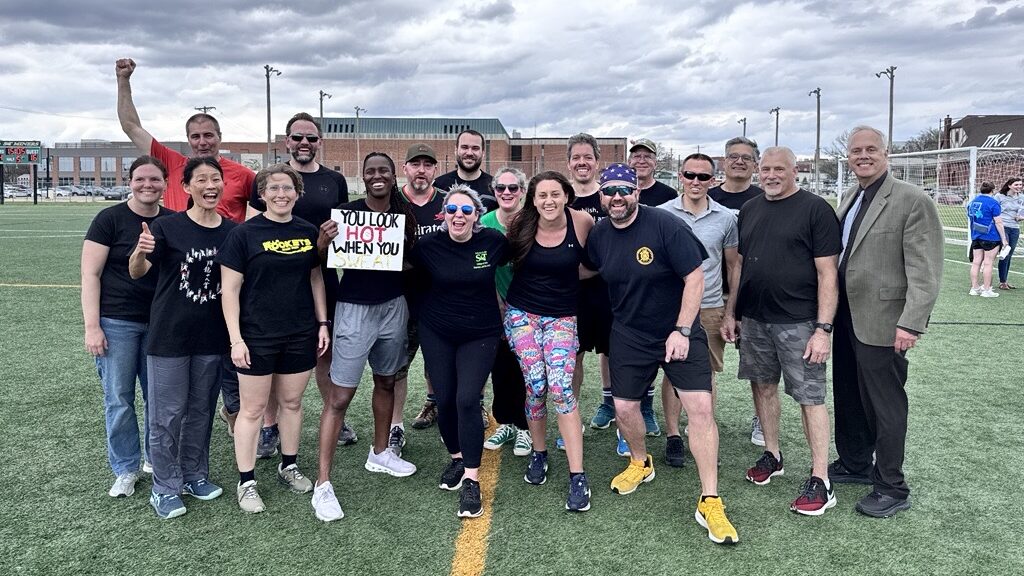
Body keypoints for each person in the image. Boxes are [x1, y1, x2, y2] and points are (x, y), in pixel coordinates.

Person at [586, 164, 738, 545]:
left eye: (624, 189)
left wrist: (683, 329)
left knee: (700, 410)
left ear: (637, 191)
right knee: (623, 408)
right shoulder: (600, 233)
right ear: (601, 196)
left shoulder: (665, 224)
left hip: (678, 330)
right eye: (609, 191)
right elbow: (583, 271)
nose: (617, 197)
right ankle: (640, 461)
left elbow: (696, 277)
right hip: (628, 334)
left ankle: (710, 499)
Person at [115, 57, 256, 448]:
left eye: (208, 135)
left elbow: (265, 214)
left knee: (230, 363)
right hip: (179, 283)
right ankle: (176, 448)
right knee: (176, 374)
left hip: (226, 283)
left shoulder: (240, 174)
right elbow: (130, 126)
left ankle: (239, 420)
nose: (201, 141)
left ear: (219, 136)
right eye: (195, 136)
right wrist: (123, 80)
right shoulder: (172, 163)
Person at [830, 125, 943, 518]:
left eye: (870, 149)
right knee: (847, 394)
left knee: (885, 404)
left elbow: (925, 270)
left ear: (886, 153)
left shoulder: (912, 199)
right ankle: (855, 462)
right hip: (845, 316)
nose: (863, 155)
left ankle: (892, 485)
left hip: (884, 319)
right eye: (855, 150)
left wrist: (911, 323)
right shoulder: (850, 195)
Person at [722, 147, 841, 516]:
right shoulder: (752, 209)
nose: (771, 175)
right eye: (766, 169)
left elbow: (827, 274)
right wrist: (733, 312)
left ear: (794, 171)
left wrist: (823, 329)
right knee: (762, 386)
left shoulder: (815, 209)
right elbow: (739, 266)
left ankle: (821, 477)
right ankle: (772, 454)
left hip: (799, 322)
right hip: (755, 319)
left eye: (779, 169)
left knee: (809, 397)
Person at [311, 152, 419, 522]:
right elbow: (322, 260)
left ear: (392, 176)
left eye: (384, 171)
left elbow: (410, 262)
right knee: (340, 396)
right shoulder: (347, 212)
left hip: (393, 305)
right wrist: (324, 241)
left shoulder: (404, 215)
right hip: (354, 308)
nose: (377, 176)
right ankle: (322, 483)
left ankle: (380, 451)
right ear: (363, 175)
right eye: (371, 171)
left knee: (387, 381)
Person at [128, 157, 237, 519]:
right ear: (186, 188)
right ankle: (164, 487)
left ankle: (194, 475)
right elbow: (137, 271)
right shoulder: (166, 227)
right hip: (170, 337)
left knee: (200, 411)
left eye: (216, 179)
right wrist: (140, 252)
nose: (210, 185)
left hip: (212, 337)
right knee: (166, 415)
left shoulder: (232, 231)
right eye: (201, 180)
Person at [218, 163, 331, 514]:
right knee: (252, 410)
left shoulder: (307, 230)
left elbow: (315, 279)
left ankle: (289, 464)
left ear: (297, 193)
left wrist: (322, 322)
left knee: (293, 404)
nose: (281, 194)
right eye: (273, 188)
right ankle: (247, 481)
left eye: (287, 188)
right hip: (257, 335)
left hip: (299, 333)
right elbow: (230, 291)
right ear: (262, 194)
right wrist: (236, 339)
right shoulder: (243, 234)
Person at [243, 112, 351, 458]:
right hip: (273, 283)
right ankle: (270, 426)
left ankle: (333, 413)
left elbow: (347, 232)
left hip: (320, 277)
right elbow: (250, 229)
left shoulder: (334, 180)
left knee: (324, 352)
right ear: (286, 141)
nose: (304, 143)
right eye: (298, 137)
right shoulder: (270, 179)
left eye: (311, 138)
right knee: (272, 356)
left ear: (320, 143)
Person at [409, 184, 510, 519]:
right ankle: (455, 456)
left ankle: (471, 477)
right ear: (443, 214)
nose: (458, 216)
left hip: (480, 332)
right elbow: (402, 270)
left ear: (476, 216)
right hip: (437, 331)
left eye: (466, 211)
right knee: (446, 398)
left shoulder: (493, 242)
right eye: (452, 210)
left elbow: (517, 264)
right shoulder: (427, 246)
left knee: (468, 399)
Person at [81, 156, 172, 498]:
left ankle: (154, 458)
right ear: (130, 181)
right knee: (118, 397)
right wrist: (93, 326)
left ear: (166, 183)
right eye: (140, 179)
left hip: (161, 323)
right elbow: (90, 274)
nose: (147, 185)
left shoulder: (173, 221)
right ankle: (125, 467)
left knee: (158, 398)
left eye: (155, 180)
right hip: (117, 322)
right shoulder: (110, 219)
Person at [504, 171, 595, 511]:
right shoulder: (521, 224)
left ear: (566, 195)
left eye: (555, 194)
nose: (548, 201)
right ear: (533, 199)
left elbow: (597, 262)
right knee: (537, 384)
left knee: (561, 388)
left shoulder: (582, 222)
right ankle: (539, 454)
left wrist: (568, 274)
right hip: (522, 314)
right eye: (541, 195)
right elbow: (502, 259)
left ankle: (577, 475)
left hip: (562, 316)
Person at [657, 153, 739, 467]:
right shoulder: (661, 214)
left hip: (710, 307)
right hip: (672, 308)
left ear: (713, 180)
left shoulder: (726, 218)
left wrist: (730, 312)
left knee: (705, 375)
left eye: (703, 177)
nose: (695, 181)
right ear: (680, 175)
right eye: (690, 174)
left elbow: (733, 267)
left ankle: (701, 431)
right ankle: (674, 435)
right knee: (672, 372)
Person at [707, 136, 765, 447]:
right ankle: (705, 418)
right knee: (705, 364)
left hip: (752, 295)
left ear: (755, 165)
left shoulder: (764, 197)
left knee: (757, 364)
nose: (739, 161)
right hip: (712, 295)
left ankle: (761, 418)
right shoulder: (707, 195)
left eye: (746, 157)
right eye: (733, 156)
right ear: (724, 162)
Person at [480, 168, 532, 457]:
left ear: (523, 191)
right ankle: (507, 422)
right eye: (501, 188)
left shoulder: (532, 222)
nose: (507, 193)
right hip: (496, 305)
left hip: (530, 306)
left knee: (526, 368)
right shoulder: (485, 223)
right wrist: (496, 303)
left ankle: (525, 426)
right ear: (494, 190)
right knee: (500, 366)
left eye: (513, 188)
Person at [565, 134, 614, 434]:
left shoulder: (611, 195)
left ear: (597, 162)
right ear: (568, 163)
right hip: (572, 295)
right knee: (575, 355)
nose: (582, 162)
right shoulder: (559, 198)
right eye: (576, 157)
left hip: (611, 292)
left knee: (614, 352)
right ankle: (573, 418)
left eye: (588, 157)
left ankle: (612, 406)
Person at [627, 138, 676, 436]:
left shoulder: (667, 195)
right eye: (636, 156)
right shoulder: (616, 191)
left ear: (655, 161)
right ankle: (613, 401)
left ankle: (646, 404)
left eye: (647, 156)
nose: (641, 160)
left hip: (658, 284)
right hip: (625, 283)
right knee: (617, 348)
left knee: (658, 351)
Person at [396, 144, 446, 434]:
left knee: (438, 362)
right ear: (405, 169)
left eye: (428, 165)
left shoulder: (447, 202)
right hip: (400, 299)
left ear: (435, 170)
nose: (421, 170)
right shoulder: (391, 202)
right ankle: (395, 426)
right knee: (398, 364)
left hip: (439, 298)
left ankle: (435, 403)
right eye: (416, 164)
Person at [433, 129, 497, 211]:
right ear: (456, 150)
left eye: (475, 148)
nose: (469, 153)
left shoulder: (496, 187)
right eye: (464, 147)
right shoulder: (438, 185)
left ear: (483, 153)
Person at [968, 181, 1008, 297]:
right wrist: (1004, 239)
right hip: (991, 237)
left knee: (976, 263)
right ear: (993, 190)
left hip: (976, 236)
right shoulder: (993, 203)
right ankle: (986, 290)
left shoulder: (972, 202)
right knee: (988, 263)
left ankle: (974, 288)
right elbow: (999, 222)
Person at [995, 177, 1023, 290]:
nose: (1019, 187)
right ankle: (1002, 282)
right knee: (1005, 253)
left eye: (1020, 185)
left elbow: (1023, 211)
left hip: (1015, 228)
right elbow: (993, 211)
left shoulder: (1022, 197)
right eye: (1016, 184)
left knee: (1009, 255)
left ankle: (1004, 280)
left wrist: (1021, 217)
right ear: (1009, 185)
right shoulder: (999, 196)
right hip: (1003, 227)